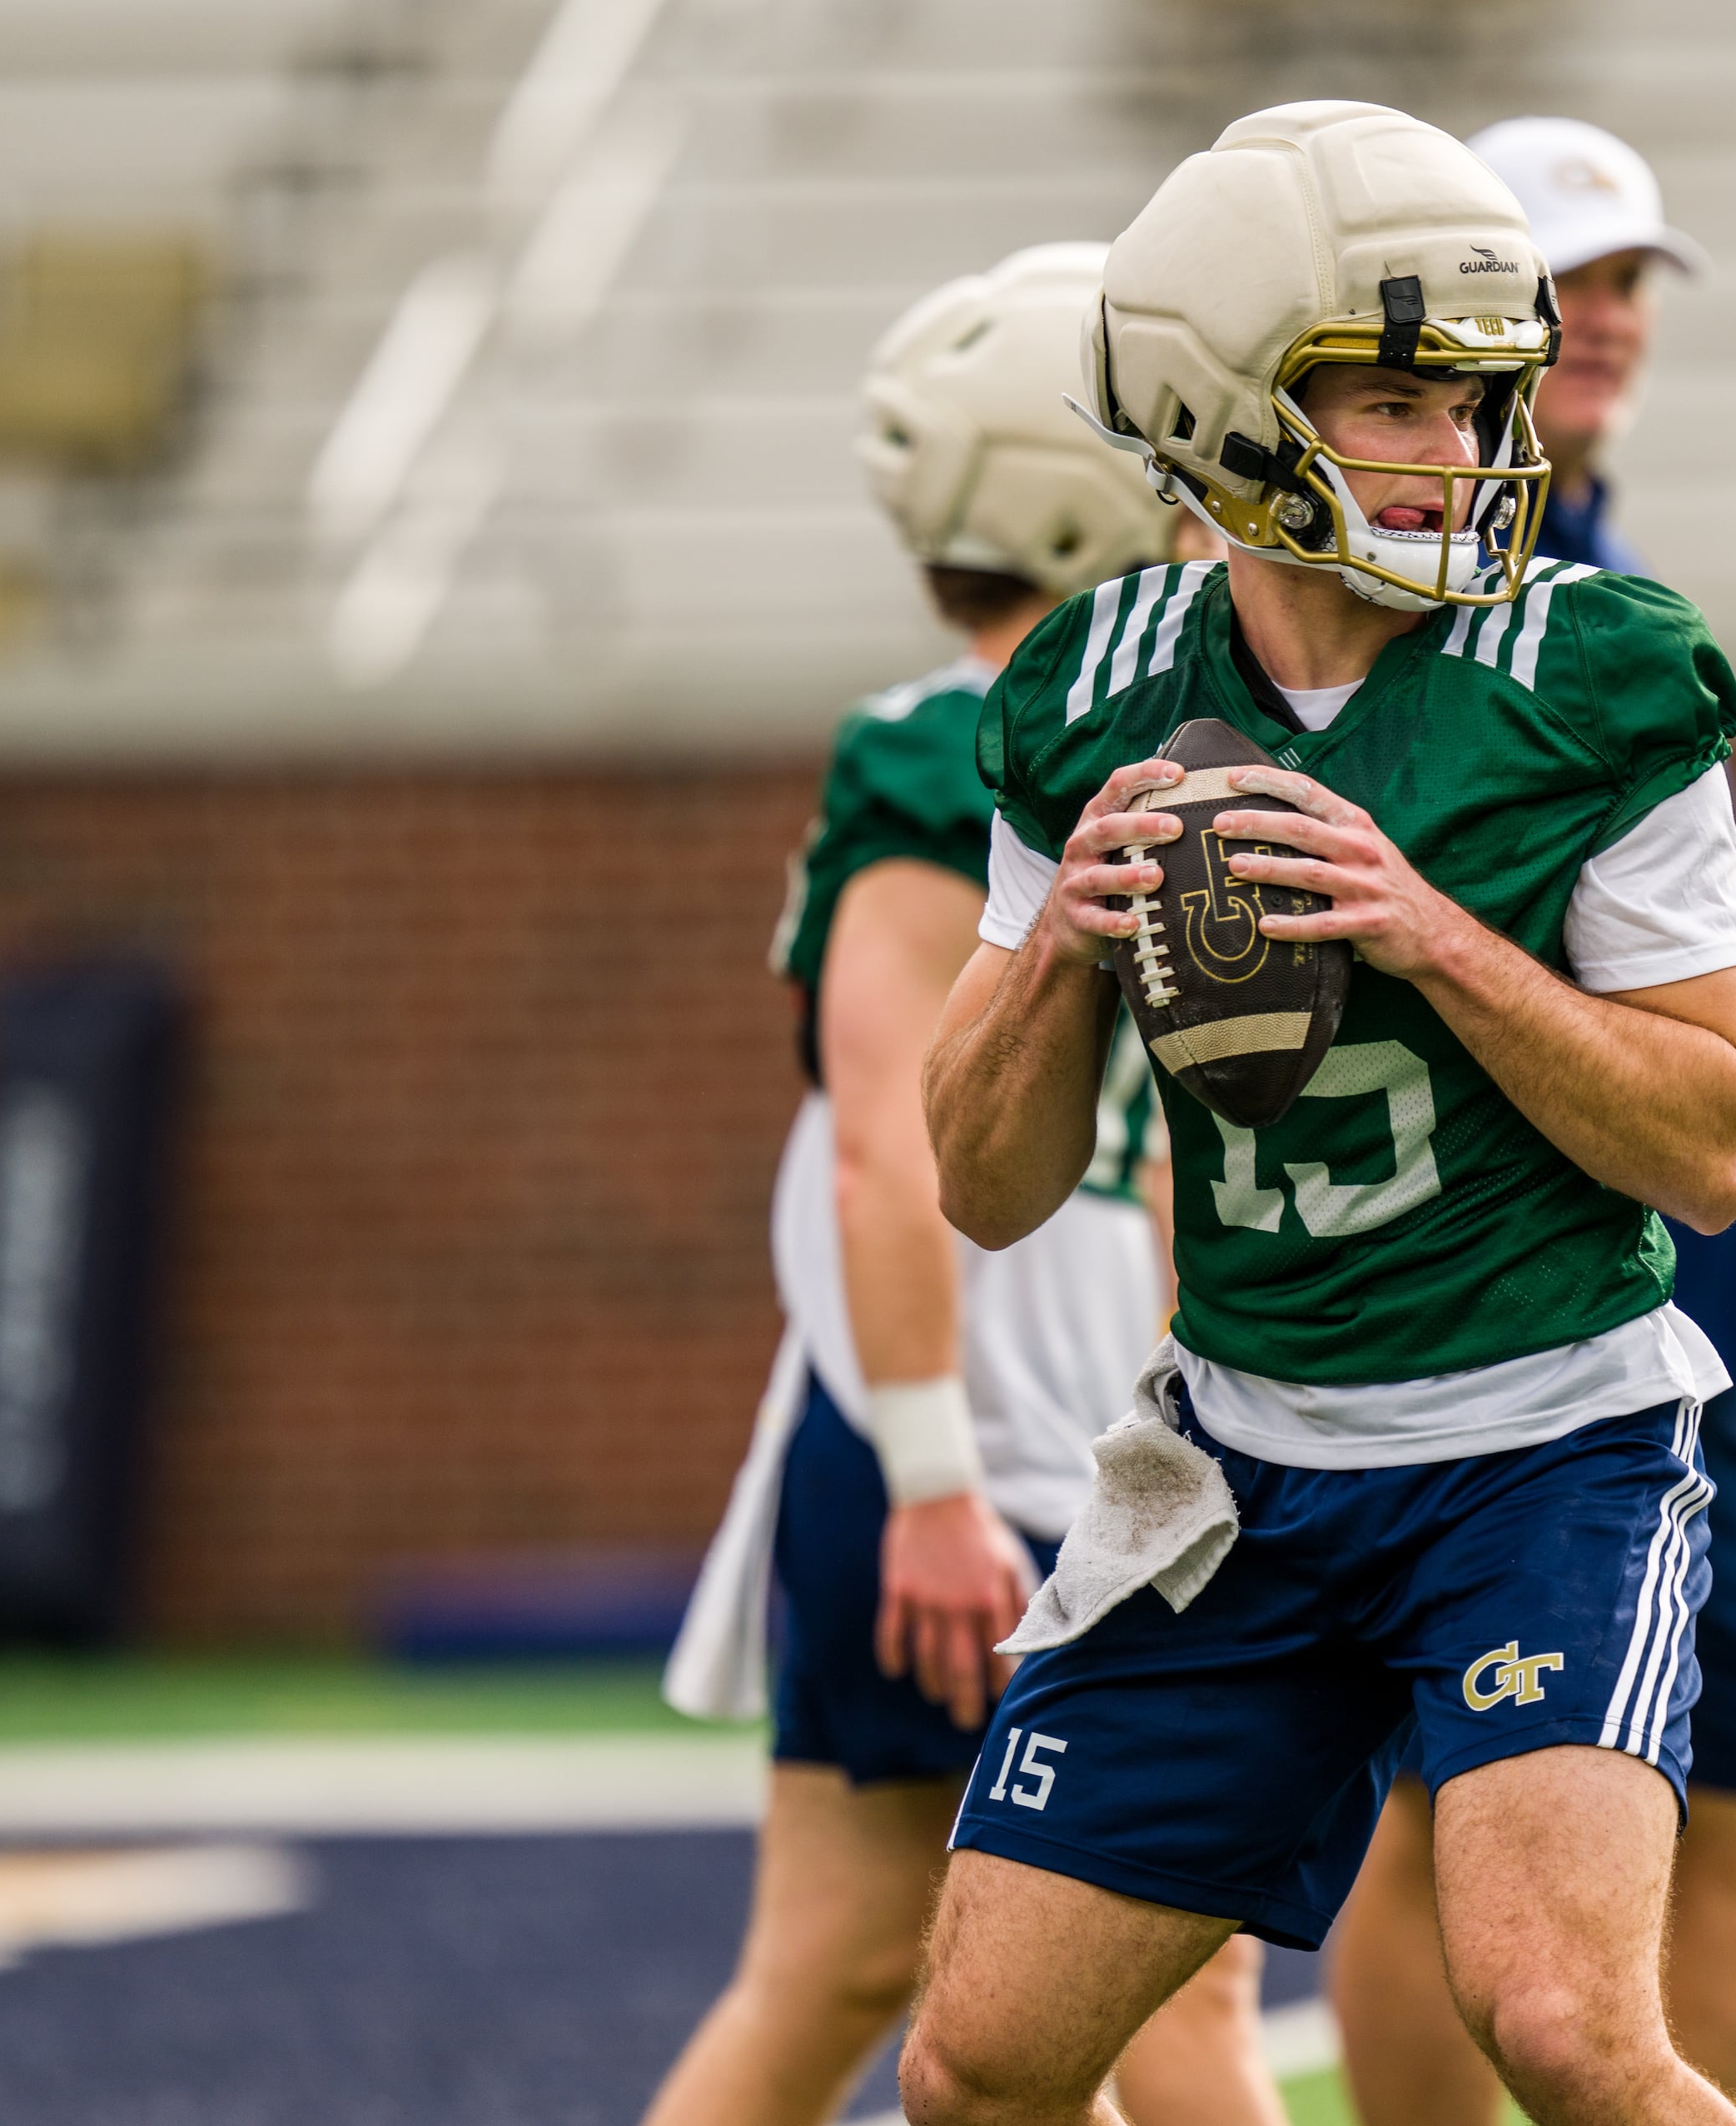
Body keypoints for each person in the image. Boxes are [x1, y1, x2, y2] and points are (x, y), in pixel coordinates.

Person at [903, 100, 1736, 2126]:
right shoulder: (1094, 691)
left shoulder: (1589, 676)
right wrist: (1062, 953)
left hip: (1537, 1442)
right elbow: (984, 1178)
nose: (1460, 454)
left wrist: (1436, 935)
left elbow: (1718, 1138)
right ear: (1218, 407)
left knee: (1564, 2023)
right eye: (1391, 397)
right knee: (976, 2065)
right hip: (1242, 1459)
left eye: (1475, 401)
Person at [644, 243, 1281, 2126]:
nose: (1208, 502)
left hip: (1060, 1434)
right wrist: (932, 1480)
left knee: (887, 1972)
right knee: (1157, 1988)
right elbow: (882, 1137)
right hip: (976, 1445)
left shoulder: (1152, 728)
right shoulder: (952, 758)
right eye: (1172, 464)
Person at [1316, 115, 1736, 2126]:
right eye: (1567, 279)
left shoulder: (1602, 566)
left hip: (1714, 1307)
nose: (1608, 317)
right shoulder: (1427, 589)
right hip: (1523, 1341)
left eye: (1630, 278)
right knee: (1443, 1835)